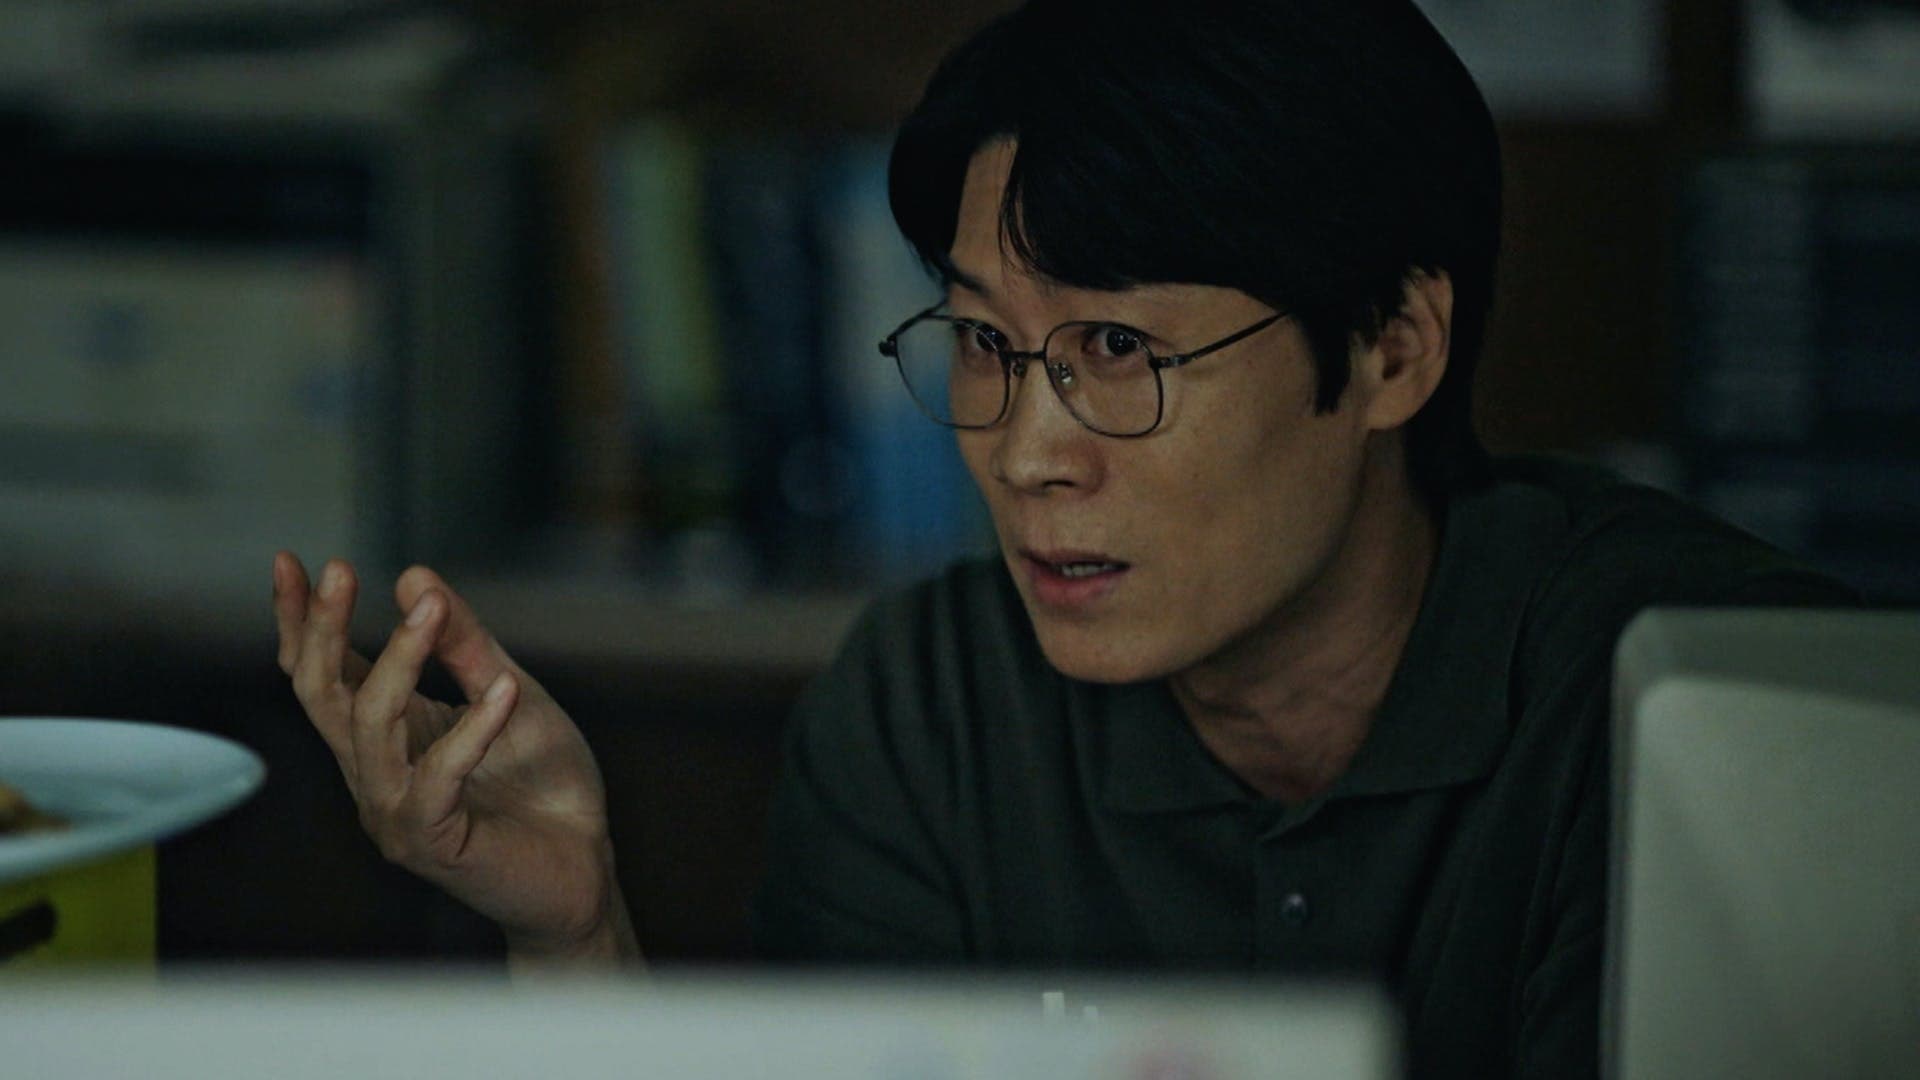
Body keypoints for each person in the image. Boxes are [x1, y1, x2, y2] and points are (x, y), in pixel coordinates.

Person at [270, 1, 1851, 1075]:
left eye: (1118, 352)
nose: (1024, 454)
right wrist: (578, 939)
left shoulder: (1708, 703)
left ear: (1392, 350)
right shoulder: (927, 710)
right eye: (982, 343)